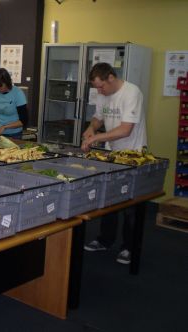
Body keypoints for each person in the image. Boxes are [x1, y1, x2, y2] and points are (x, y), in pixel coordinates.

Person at [81, 62, 147, 265]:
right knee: (108, 198)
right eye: (97, 88)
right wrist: (92, 128)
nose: (99, 91)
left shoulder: (132, 92)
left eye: (101, 86)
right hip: (112, 152)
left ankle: (128, 247)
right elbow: (98, 118)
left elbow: (125, 129)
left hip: (133, 153)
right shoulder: (103, 93)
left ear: (111, 77)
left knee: (130, 203)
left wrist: (96, 139)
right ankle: (105, 240)